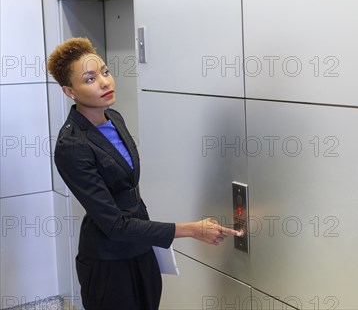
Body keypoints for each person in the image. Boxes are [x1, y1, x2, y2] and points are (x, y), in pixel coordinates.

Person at [47, 37, 239, 309]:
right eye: (90, 79)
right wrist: (191, 230)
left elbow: (128, 191)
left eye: (105, 72)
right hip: (108, 261)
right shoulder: (72, 146)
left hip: (141, 249)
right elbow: (114, 225)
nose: (104, 82)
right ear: (69, 91)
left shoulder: (114, 118)